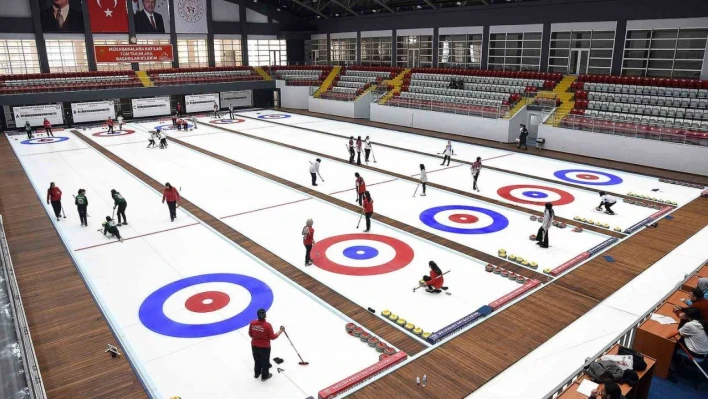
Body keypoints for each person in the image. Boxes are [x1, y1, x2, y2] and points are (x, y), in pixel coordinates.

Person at [248, 308, 284, 382]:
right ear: (265, 315)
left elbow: (250, 334)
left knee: (257, 360)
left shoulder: (253, 323)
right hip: (265, 347)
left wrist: (256, 339)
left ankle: (257, 373)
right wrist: (281, 331)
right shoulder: (267, 325)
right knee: (265, 361)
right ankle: (265, 376)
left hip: (254, 345)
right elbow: (272, 337)